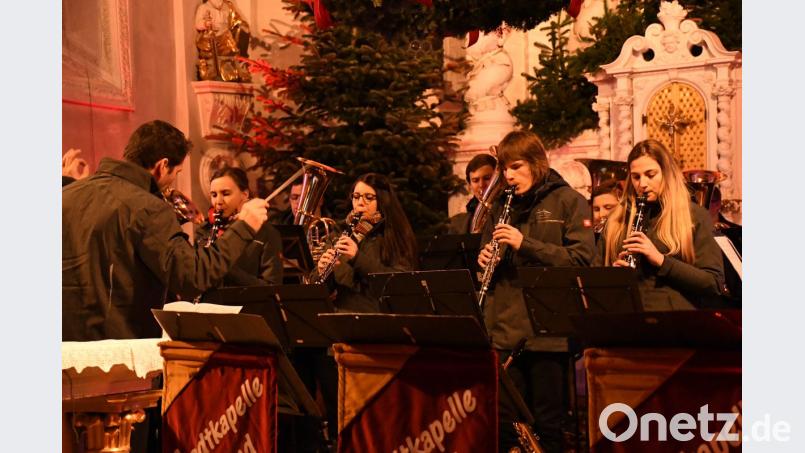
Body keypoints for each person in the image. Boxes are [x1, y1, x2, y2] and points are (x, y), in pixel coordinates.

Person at [63, 120, 269, 341]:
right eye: (176, 172)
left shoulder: (66, 195)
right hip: (117, 353)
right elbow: (191, 277)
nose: (173, 181)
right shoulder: (148, 207)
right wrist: (244, 227)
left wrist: (67, 181)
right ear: (162, 166)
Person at [476, 130, 595, 453]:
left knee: (548, 428)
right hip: (504, 331)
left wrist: (524, 244)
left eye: (515, 167)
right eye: (504, 169)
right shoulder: (502, 205)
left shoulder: (569, 201)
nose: (508, 176)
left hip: (548, 337)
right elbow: (489, 266)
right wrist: (486, 258)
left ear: (536, 164)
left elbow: (582, 260)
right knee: (507, 429)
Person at [598, 139, 725, 310]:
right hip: (629, 323)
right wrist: (615, 278)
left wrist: (661, 260)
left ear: (666, 173)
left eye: (650, 175)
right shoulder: (616, 220)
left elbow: (713, 284)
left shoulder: (694, 216)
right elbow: (595, 282)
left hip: (676, 325)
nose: (642, 184)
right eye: (636, 177)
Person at [195, 167, 283, 286]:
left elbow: (272, 287)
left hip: (246, 303)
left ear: (244, 194)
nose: (218, 201)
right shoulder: (204, 231)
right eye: (214, 195)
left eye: (226, 193)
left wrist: (222, 266)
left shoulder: (267, 233)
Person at [194, 0, 251, 81]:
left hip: (225, 36)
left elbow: (235, 20)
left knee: (232, 48)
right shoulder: (204, 7)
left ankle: (234, 70)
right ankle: (214, 71)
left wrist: (242, 26)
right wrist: (205, 24)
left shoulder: (227, 6)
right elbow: (198, 23)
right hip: (210, 37)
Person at [448, 153, 497, 234]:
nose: (481, 185)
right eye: (475, 180)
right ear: (469, 184)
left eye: (487, 178)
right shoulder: (458, 223)